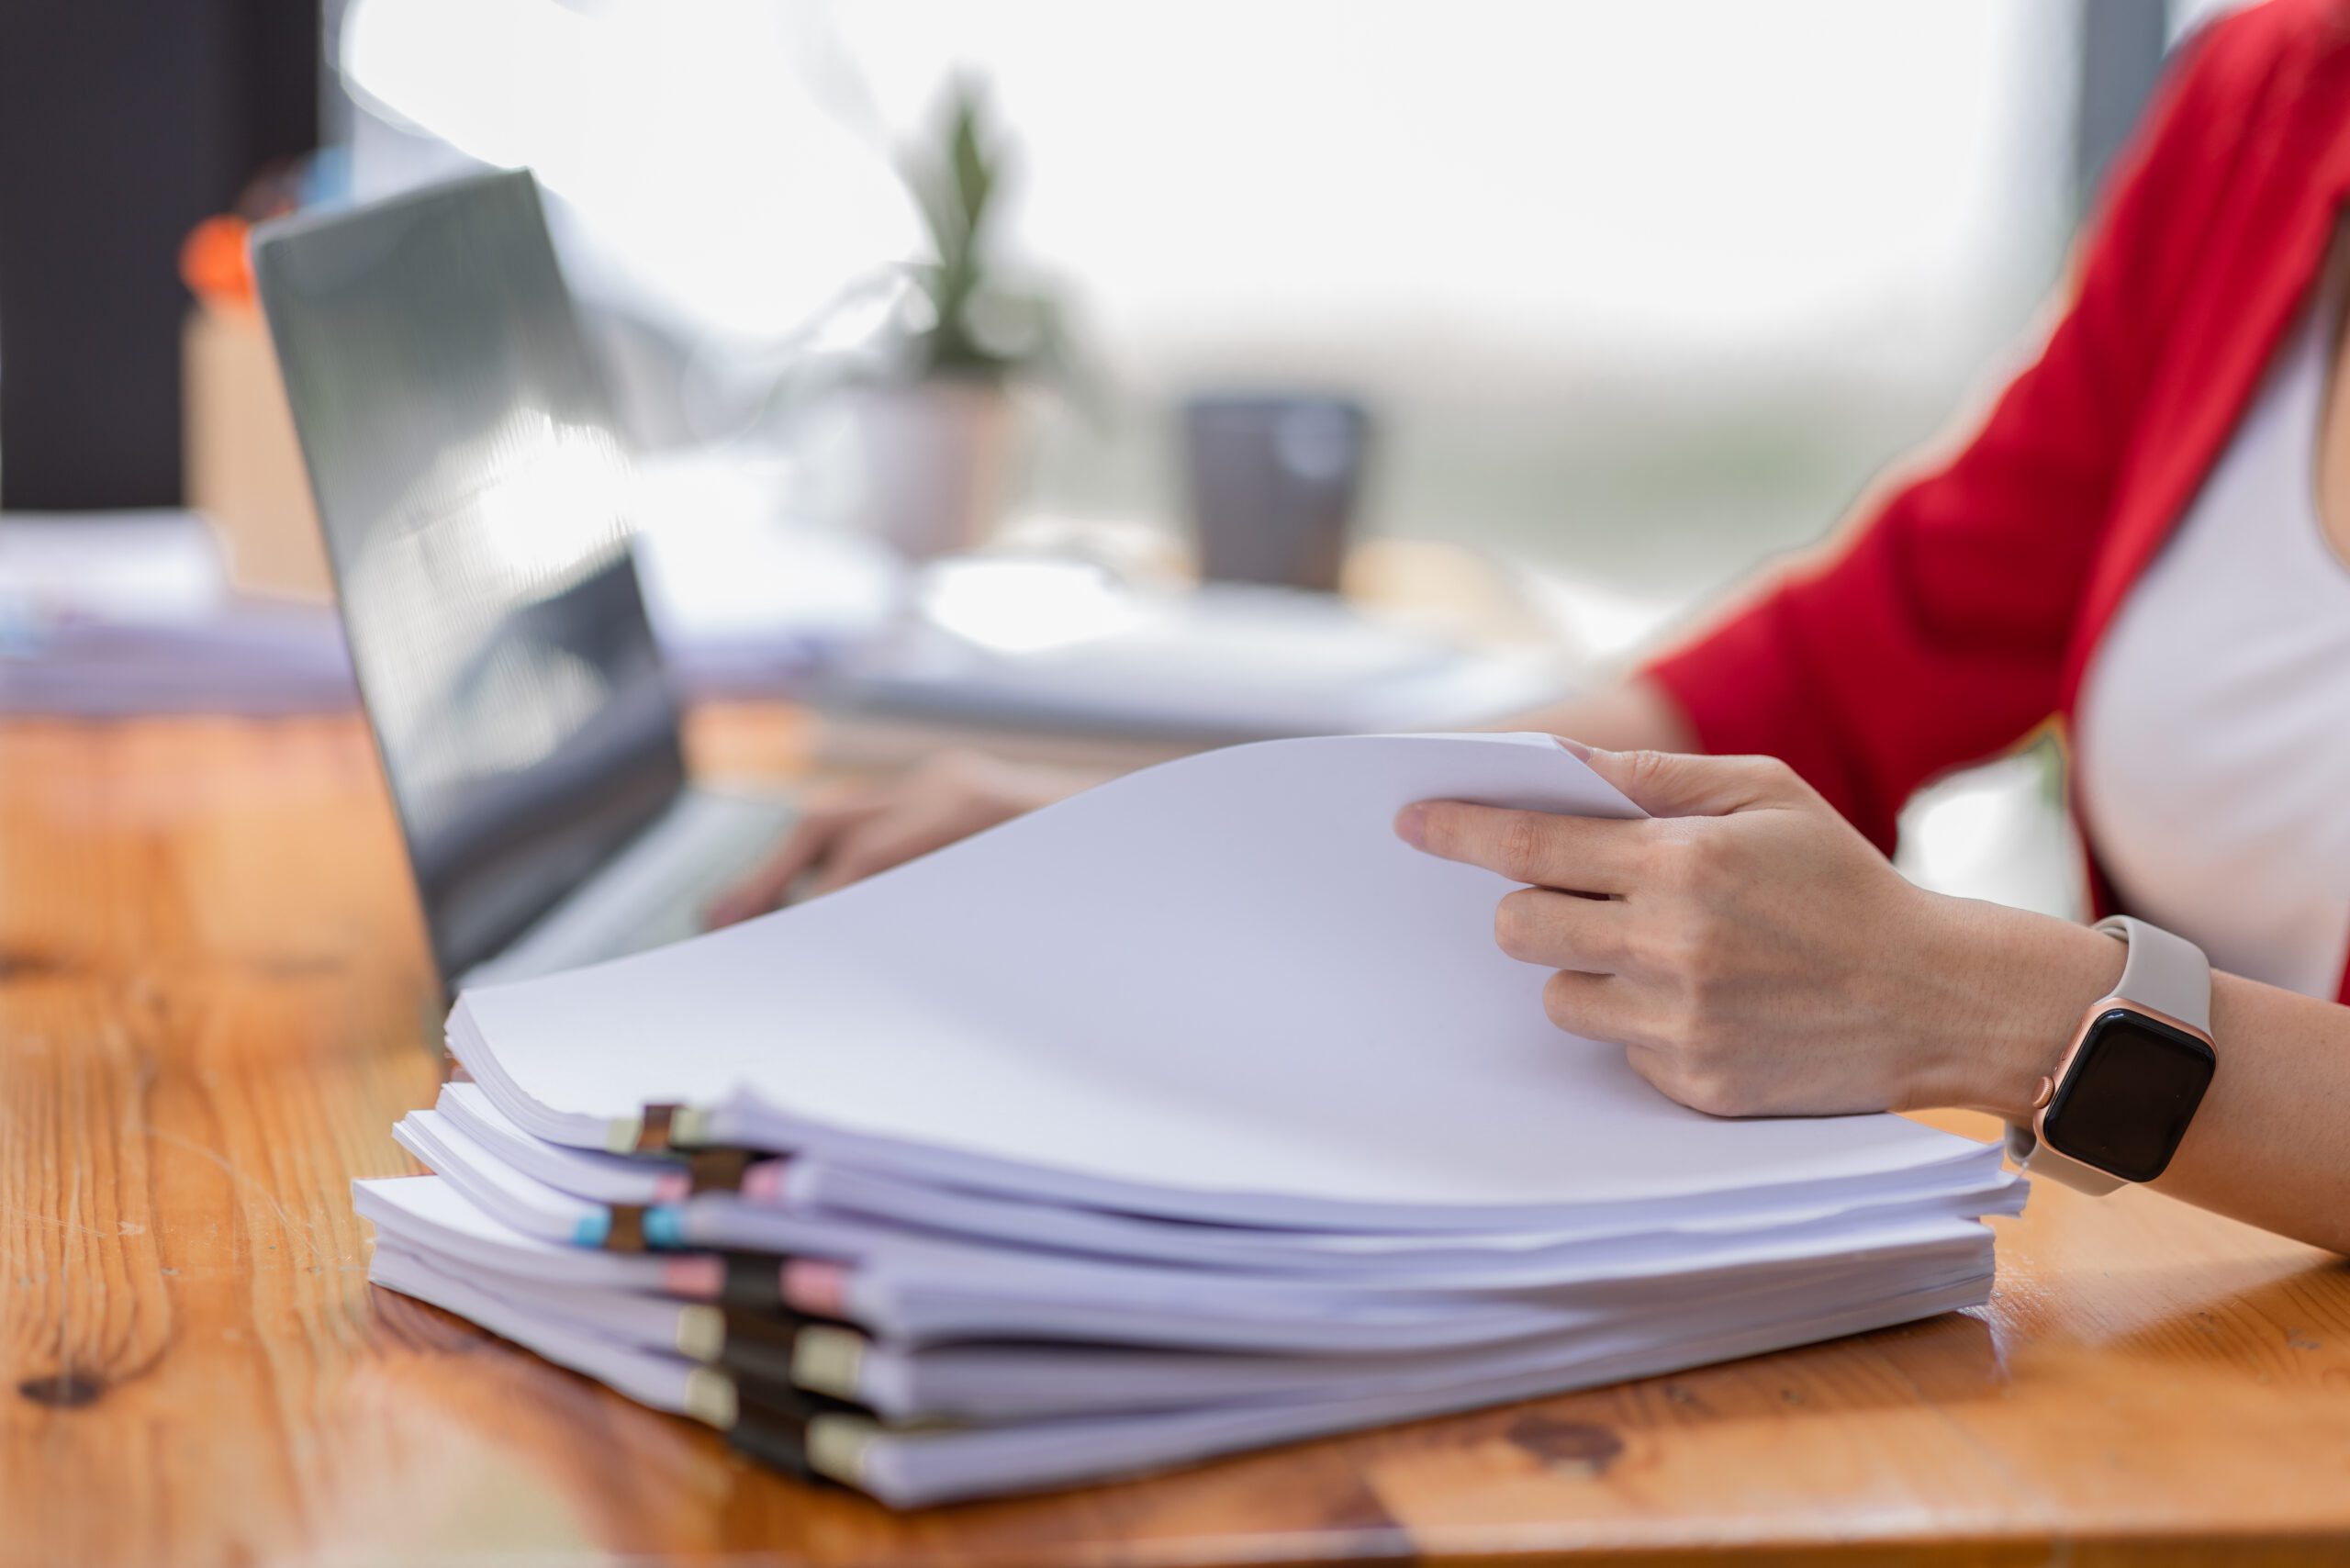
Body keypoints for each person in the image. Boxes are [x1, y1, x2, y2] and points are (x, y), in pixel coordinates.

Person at [717, 0, 2350, 1255]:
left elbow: (1955, 979)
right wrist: (1165, 841)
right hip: (2210, 1322)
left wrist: (1984, 1008)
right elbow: (1820, 673)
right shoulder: (2272, 105)